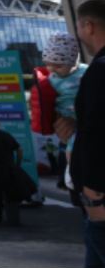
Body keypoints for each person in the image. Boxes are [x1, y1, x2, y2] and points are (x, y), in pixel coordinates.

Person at [58, 0, 105, 268]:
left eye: (77, 25)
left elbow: (98, 133)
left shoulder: (98, 70)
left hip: (99, 201)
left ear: (88, 26)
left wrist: (94, 195)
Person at [43, 33, 87, 189]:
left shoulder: (86, 72)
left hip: (82, 117)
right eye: (49, 64)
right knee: (70, 146)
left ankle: (74, 170)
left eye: (59, 65)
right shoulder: (50, 79)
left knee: (73, 146)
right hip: (66, 117)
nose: (53, 69)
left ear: (73, 62)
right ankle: (72, 169)